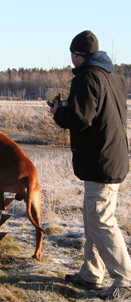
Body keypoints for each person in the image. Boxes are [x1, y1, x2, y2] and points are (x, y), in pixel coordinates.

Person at [50, 30, 131, 300]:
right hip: (111, 157)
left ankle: (125, 279)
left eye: (71, 55)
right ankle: (92, 273)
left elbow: (81, 118)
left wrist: (58, 113)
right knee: (92, 217)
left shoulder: (87, 77)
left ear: (77, 55)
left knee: (101, 220)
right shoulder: (112, 76)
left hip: (102, 161)